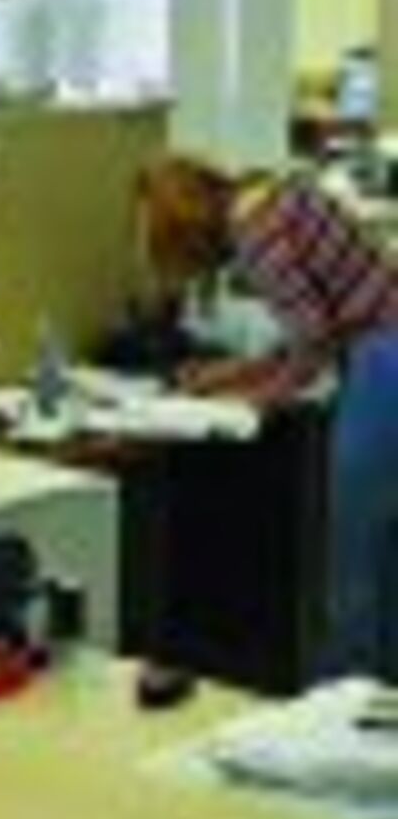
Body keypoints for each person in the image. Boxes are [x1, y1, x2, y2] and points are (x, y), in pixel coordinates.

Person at [139, 155, 398, 679]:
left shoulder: (256, 236)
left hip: (385, 362)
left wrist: (252, 400)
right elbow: (317, 328)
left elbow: (313, 347)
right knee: (384, 553)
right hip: (382, 347)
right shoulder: (276, 195)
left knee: (349, 559)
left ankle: (339, 705)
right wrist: (231, 374)